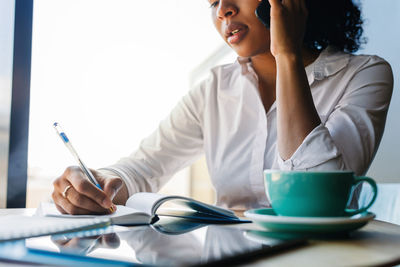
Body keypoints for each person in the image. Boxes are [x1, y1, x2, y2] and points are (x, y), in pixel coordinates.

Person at [51, 0, 393, 215]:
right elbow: (144, 166)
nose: (223, 10)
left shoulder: (365, 74)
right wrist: (103, 182)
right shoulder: (214, 88)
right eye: (213, 1)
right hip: (229, 255)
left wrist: (286, 55)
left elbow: (319, 194)